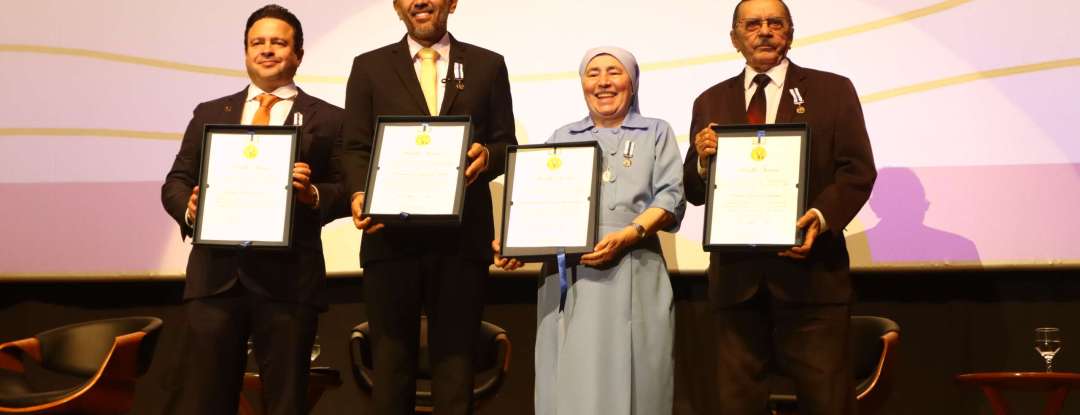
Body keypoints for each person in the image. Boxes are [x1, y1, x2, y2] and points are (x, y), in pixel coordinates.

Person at [681, 1, 877, 414]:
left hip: (812, 279)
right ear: (735, 38)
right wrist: (701, 159)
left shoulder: (833, 90)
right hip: (736, 283)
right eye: (753, 24)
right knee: (737, 405)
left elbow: (856, 171)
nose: (764, 31)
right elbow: (695, 191)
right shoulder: (710, 100)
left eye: (775, 23)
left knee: (827, 404)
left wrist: (820, 219)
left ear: (790, 32)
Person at [160, 5, 344, 414]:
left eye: (278, 42)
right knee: (205, 401)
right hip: (215, 281)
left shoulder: (330, 119)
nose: (267, 50)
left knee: (285, 403)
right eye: (257, 43)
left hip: (289, 282)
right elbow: (175, 181)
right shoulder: (210, 113)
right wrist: (190, 208)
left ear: (297, 54)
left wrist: (312, 193)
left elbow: (349, 190)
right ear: (245, 53)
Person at [341, 0, 517, 413]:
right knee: (390, 371)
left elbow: (505, 143)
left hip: (461, 243)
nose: (420, 0)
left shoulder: (488, 65)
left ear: (452, 2)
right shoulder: (368, 67)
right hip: (389, 241)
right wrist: (356, 194)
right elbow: (354, 147)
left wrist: (487, 157)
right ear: (397, 6)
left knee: (456, 372)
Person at [495, 47, 686, 415]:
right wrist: (516, 243)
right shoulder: (562, 135)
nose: (603, 82)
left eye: (613, 72)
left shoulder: (656, 132)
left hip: (635, 267)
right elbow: (540, 203)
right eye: (592, 73)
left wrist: (629, 234)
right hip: (570, 273)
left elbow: (671, 196)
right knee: (569, 375)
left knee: (638, 374)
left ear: (631, 82)